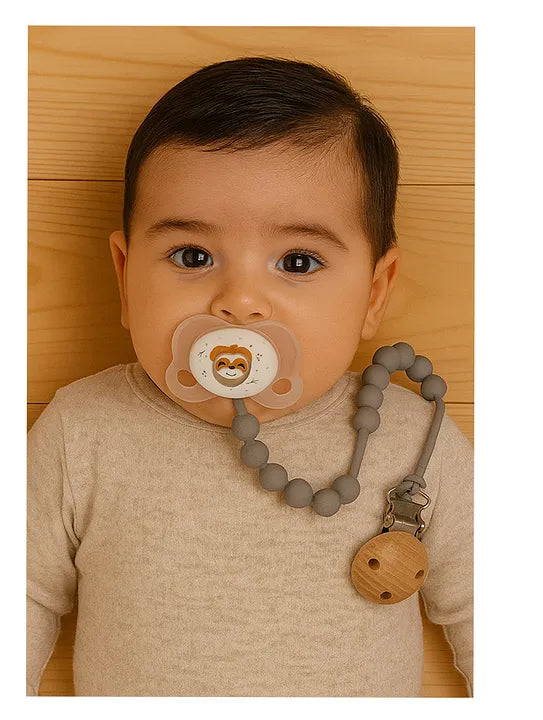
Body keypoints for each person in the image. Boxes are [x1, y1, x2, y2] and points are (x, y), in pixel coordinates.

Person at [27, 56, 473, 697]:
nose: (238, 301)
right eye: (192, 256)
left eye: (297, 261)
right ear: (125, 279)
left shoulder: (414, 442)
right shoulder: (82, 431)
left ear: (375, 292)